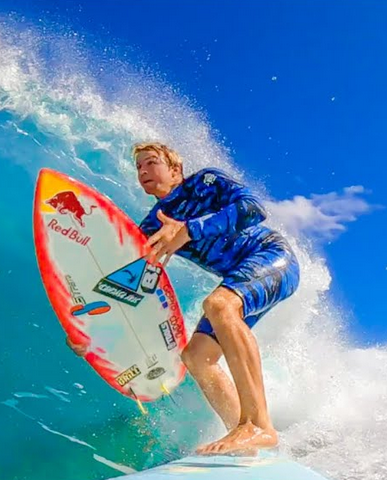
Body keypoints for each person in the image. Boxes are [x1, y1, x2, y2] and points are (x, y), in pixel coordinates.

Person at [66, 142, 300, 455]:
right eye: (139, 168)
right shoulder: (153, 225)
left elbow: (253, 209)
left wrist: (190, 229)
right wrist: (88, 332)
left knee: (219, 305)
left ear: (175, 170)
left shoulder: (205, 183)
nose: (143, 172)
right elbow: (126, 286)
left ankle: (257, 425)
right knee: (197, 357)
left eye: (151, 163)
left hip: (272, 256)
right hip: (240, 279)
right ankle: (244, 443)